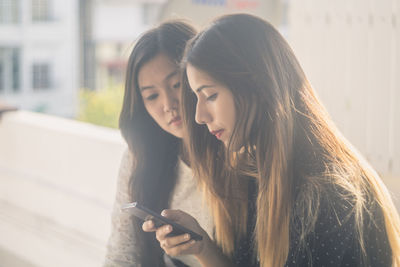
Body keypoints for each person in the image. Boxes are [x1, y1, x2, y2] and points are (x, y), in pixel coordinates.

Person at [175, 13, 400, 266]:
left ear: (258, 87)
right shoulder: (254, 176)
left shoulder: (329, 198)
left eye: (211, 95)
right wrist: (203, 247)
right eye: (197, 97)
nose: (199, 116)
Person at [103, 20, 215, 267]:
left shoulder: (237, 152)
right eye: (152, 95)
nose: (168, 104)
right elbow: (121, 254)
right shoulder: (140, 157)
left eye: (177, 85)